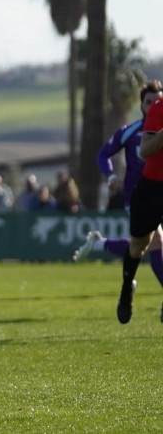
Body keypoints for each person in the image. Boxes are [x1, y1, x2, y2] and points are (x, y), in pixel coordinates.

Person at [72, 81, 163, 313]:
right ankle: (104, 249)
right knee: (149, 243)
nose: (153, 104)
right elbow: (103, 154)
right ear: (142, 104)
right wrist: (111, 176)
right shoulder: (130, 131)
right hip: (139, 195)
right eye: (148, 101)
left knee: (153, 243)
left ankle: (100, 244)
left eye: (156, 100)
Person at [111, 91, 163, 324]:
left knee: (158, 243)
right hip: (152, 188)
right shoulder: (159, 108)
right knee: (138, 247)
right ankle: (126, 290)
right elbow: (146, 150)